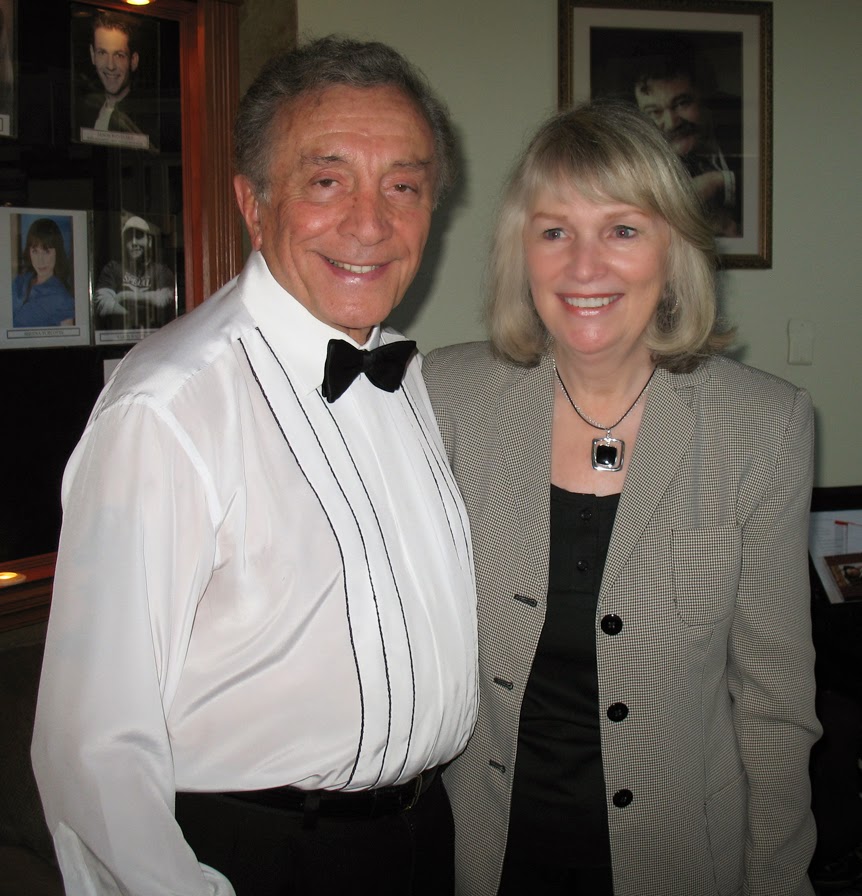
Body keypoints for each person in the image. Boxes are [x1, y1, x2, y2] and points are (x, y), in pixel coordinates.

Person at [32, 36, 477, 896]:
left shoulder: (406, 377)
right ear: (253, 203)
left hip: (421, 841)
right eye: (326, 181)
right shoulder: (169, 408)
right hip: (259, 856)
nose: (370, 224)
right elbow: (93, 753)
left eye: (403, 187)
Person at [423, 100, 820, 895]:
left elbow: (774, 703)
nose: (584, 267)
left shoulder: (763, 425)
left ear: (674, 249)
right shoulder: (443, 397)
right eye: (555, 232)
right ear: (522, 252)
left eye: (623, 229)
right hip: (486, 856)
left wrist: (778, 881)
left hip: (680, 859)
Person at [629, 36, 741, 238]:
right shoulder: (637, 161)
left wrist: (721, 182)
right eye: (654, 112)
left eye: (682, 103)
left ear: (705, 96)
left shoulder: (742, 123)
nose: (672, 123)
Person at [77, 10, 154, 143]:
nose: (110, 66)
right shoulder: (85, 111)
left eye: (119, 55)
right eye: (102, 53)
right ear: (92, 55)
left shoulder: (146, 116)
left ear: (133, 61)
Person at [94, 214, 176, 333]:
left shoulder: (162, 271)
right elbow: (102, 303)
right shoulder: (112, 268)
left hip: (156, 337)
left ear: (149, 241)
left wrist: (126, 296)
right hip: (121, 337)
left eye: (138, 236)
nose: (133, 242)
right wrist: (130, 316)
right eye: (128, 238)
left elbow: (165, 299)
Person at [12, 218, 75, 328]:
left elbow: (68, 337)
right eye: (35, 251)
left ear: (57, 252)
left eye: (46, 252)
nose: (40, 260)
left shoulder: (62, 299)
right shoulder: (19, 282)